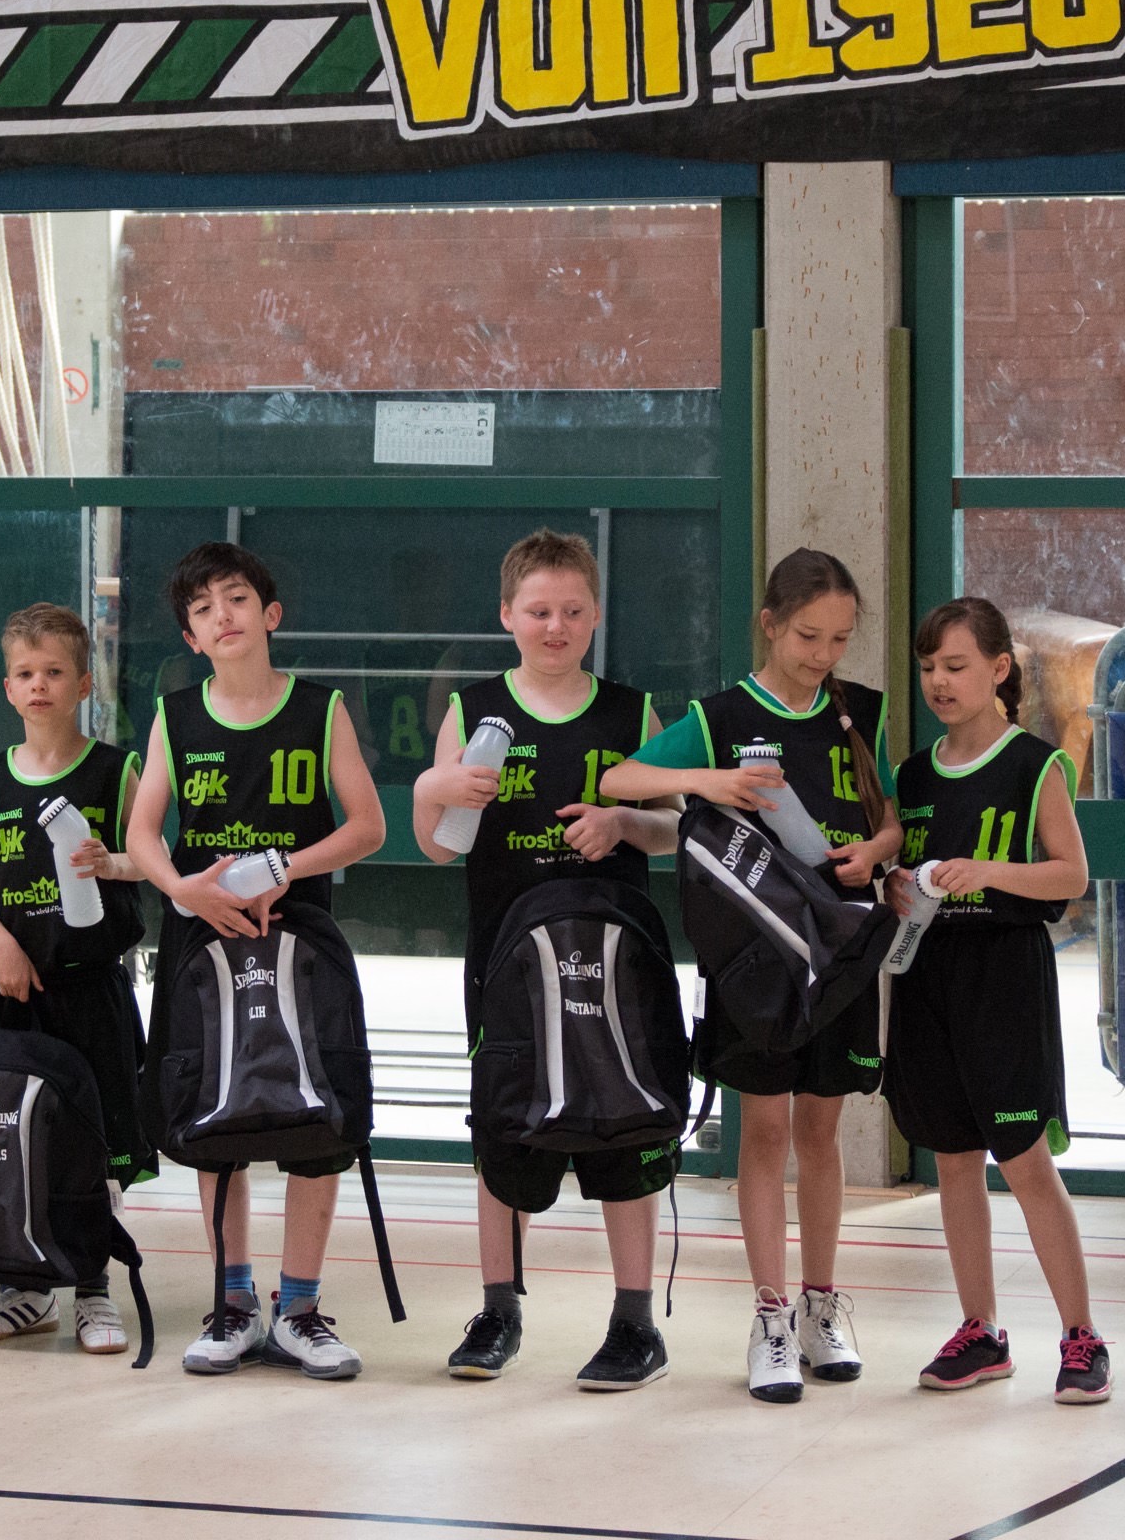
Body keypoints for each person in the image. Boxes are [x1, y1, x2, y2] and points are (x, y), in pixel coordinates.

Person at [599, 547, 901, 1403]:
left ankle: (820, 1307)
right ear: (770, 625)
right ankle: (769, 1317)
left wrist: (876, 849)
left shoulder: (859, 712)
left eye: (839, 638)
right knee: (764, 1130)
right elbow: (621, 776)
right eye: (808, 635)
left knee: (822, 1131)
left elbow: (889, 819)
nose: (823, 654)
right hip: (754, 955)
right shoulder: (720, 715)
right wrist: (710, 781)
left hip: (839, 945)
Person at [413, 529, 680, 1392]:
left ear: (596, 615)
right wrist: (432, 791)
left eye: (571, 611)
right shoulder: (474, 711)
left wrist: (623, 822)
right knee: (502, 1129)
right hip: (506, 965)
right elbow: (438, 847)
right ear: (507, 616)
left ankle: (636, 1323)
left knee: (622, 1125)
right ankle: (498, 1310)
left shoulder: (633, 712)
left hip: (611, 963)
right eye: (538, 611)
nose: (555, 626)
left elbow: (679, 828)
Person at [124, 542, 387, 1379]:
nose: (222, 616)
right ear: (192, 638)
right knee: (216, 1122)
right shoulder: (175, 715)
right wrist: (180, 888)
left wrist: (284, 868)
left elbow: (368, 827)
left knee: (318, 1122)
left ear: (270, 614)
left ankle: (299, 1308)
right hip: (204, 940)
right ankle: (233, 1302)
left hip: (299, 938)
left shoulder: (321, 708)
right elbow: (141, 832)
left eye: (235, 598)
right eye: (202, 609)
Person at [887, 598, 1108, 1402]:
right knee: (953, 1159)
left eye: (956, 666)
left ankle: (1082, 1336)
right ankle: (980, 1331)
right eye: (928, 668)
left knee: (1024, 1159)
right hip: (928, 977)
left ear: (999, 669)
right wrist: (896, 887)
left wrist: (988, 873)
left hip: (1005, 978)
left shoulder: (1034, 766)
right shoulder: (913, 776)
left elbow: (1070, 875)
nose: (939, 682)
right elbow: (899, 872)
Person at [0, 608, 152, 1353]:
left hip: (89, 988)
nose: (40, 685)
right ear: (8, 687)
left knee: (92, 1145)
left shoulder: (114, 771)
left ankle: (93, 1288)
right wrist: (0, 944)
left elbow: (151, 858)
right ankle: (25, 1289)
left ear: (83, 684)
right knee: (11, 1136)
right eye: (26, 673)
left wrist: (111, 861)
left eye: (55, 672)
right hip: (11, 990)